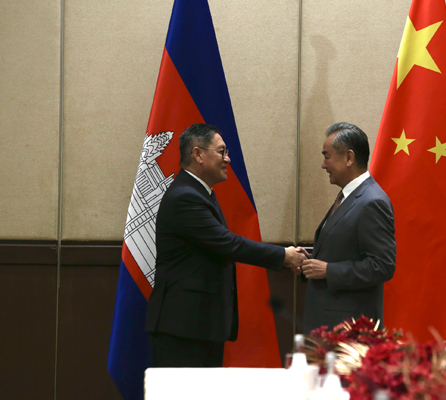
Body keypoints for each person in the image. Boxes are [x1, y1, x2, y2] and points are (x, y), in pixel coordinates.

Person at [145, 123, 305, 368]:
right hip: (182, 328)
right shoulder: (185, 197)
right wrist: (283, 256)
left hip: (199, 325)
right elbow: (227, 243)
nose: (228, 159)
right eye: (221, 152)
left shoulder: (199, 192)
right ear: (198, 154)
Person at [301, 122, 396, 334]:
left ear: (349, 157)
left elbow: (382, 265)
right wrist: (308, 261)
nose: (323, 165)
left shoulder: (372, 201)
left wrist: (329, 270)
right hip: (330, 324)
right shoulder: (349, 196)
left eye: (327, 156)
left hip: (349, 329)